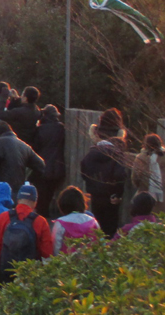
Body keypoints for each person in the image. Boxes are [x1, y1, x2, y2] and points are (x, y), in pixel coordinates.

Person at [80, 108, 129, 237]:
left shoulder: (92, 153)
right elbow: (120, 174)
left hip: (95, 194)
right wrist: (118, 194)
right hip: (111, 196)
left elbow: (84, 171)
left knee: (97, 226)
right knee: (110, 227)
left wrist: (92, 186)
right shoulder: (117, 154)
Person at [0, 182, 53, 282]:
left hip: (5, 269)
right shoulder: (41, 222)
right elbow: (47, 252)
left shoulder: (3, 217)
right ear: (35, 202)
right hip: (30, 274)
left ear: (18, 200)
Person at [0, 121, 46, 198]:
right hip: (18, 189)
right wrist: (29, 180)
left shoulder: (0, 142)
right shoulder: (24, 146)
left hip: (2, 188)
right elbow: (41, 165)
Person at [34, 105, 66, 219]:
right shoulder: (61, 128)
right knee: (50, 192)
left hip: (42, 165)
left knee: (41, 194)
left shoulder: (40, 129)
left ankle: (42, 217)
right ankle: (48, 215)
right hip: (57, 165)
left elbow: (35, 146)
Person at [50, 186, 102, 254]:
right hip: (90, 259)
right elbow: (98, 244)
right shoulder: (93, 222)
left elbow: (56, 248)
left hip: (67, 259)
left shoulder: (60, 223)